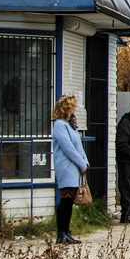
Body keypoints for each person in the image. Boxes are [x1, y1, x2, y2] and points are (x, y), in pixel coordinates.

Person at [51, 95, 88, 245]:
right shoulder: (60, 125)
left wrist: (84, 162)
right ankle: (61, 233)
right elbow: (68, 147)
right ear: (67, 108)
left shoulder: (70, 125)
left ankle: (67, 232)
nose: (75, 109)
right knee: (65, 201)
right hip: (67, 167)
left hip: (74, 167)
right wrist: (81, 162)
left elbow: (78, 146)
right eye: (73, 106)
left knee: (70, 201)